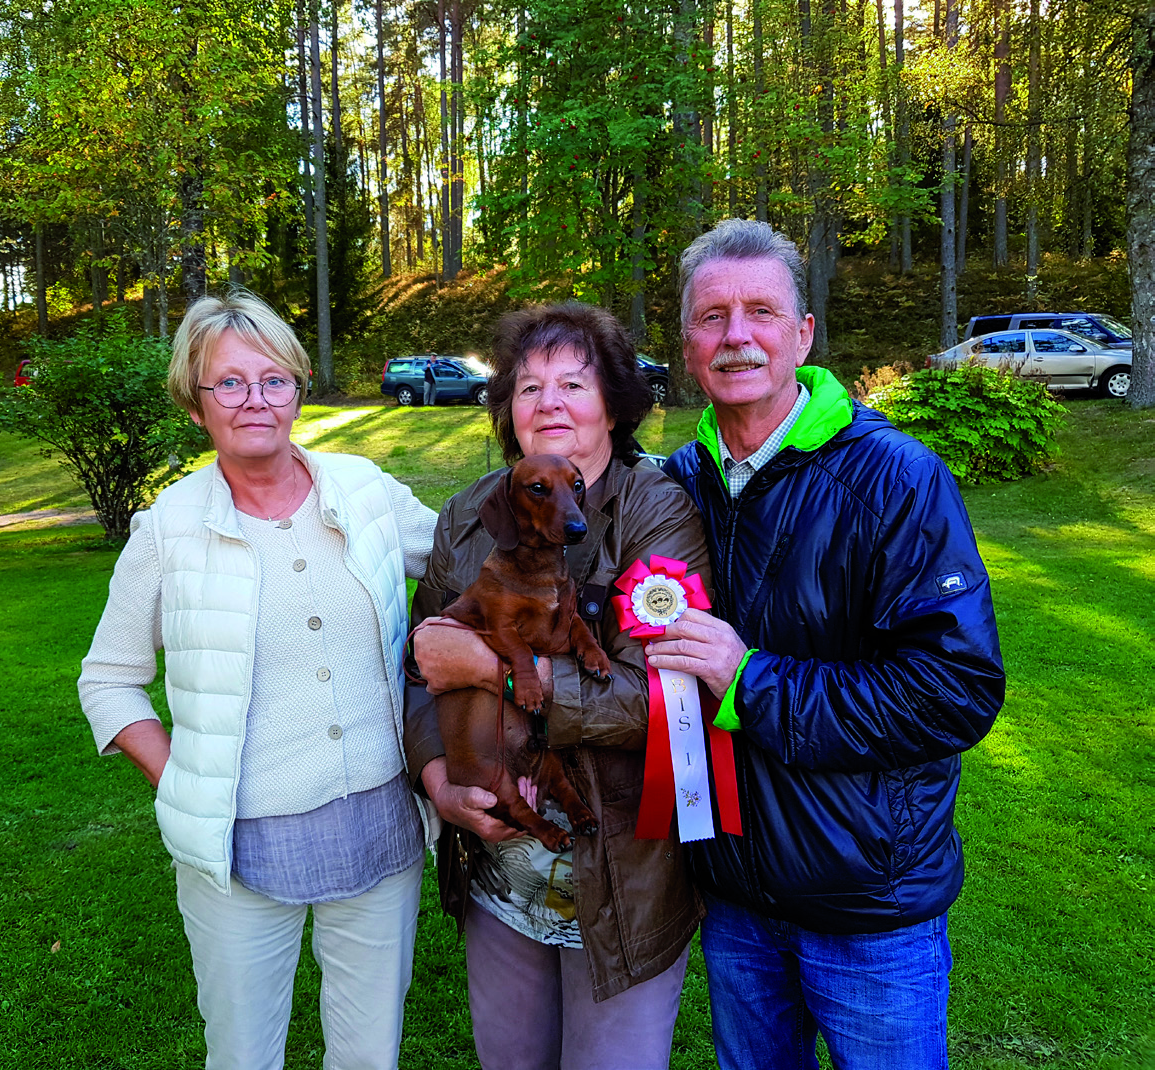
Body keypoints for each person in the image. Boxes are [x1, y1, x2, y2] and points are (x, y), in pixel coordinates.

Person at [647, 218, 1006, 1070]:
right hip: (732, 900)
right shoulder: (670, 489)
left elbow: (953, 689)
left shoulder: (893, 477)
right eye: (712, 316)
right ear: (688, 344)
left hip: (868, 902)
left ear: (802, 334)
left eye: (761, 312)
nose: (737, 335)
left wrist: (748, 679)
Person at [78, 290, 439, 1070]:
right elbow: (108, 680)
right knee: (243, 1055)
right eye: (230, 384)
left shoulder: (366, 490)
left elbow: (472, 559)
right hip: (237, 848)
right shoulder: (167, 528)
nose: (255, 402)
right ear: (195, 401)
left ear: (297, 389)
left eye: (274, 380)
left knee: (369, 1054)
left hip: (381, 825)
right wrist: (178, 780)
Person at [406, 302, 709, 1070]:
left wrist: (503, 672)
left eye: (571, 383)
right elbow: (418, 671)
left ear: (613, 400)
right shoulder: (468, 515)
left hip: (621, 875)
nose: (547, 402)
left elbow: (661, 699)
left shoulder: (657, 512)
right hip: (500, 874)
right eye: (528, 386)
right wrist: (437, 776)